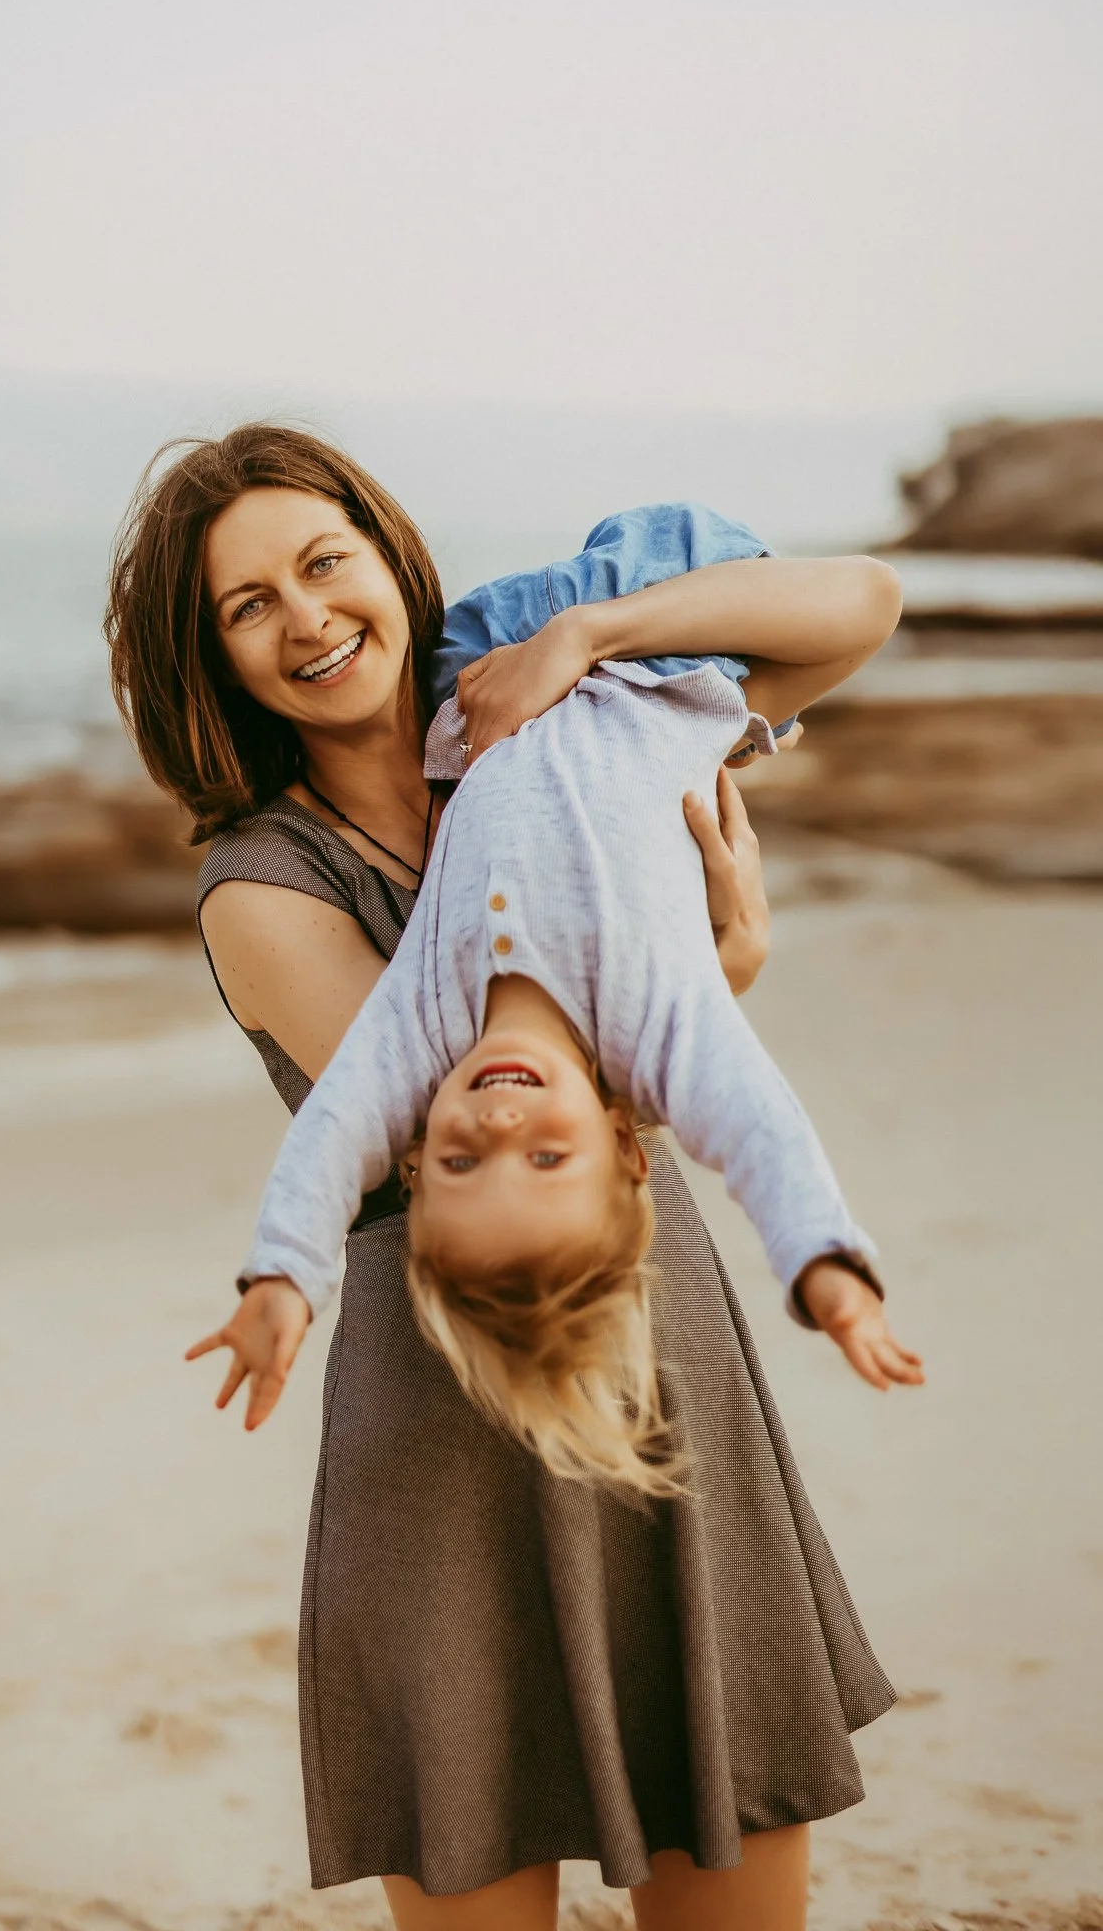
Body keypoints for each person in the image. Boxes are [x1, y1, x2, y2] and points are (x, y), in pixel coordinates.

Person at [106, 424, 912, 1931]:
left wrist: (591, 630)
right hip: (441, 1396)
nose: (305, 617)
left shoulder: (543, 699)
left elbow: (853, 607)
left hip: (655, 1331)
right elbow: (456, 1120)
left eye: (322, 562)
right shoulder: (262, 886)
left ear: (387, 559)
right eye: (246, 606)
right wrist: (717, 979)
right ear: (211, 661)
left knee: (727, 1827)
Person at [223, 506, 921, 1496]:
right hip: (665, 659)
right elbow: (762, 1132)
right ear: (626, 1142)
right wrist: (826, 1270)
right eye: (545, 1156)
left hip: (480, 673)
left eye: (458, 1157)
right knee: (662, 553)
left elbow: (333, 1133)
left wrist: (283, 1274)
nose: (496, 1119)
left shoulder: (423, 1025)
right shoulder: (664, 1020)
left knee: (461, 651)